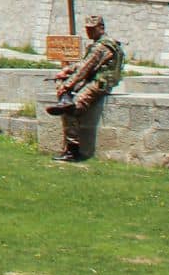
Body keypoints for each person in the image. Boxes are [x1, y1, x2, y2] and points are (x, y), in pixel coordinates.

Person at [46, 13, 124, 163]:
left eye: (92, 29)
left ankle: (72, 150)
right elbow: (83, 64)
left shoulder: (102, 46)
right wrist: (67, 70)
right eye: (87, 29)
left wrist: (67, 85)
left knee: (70, 109)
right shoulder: (100, 44)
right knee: (63, 87)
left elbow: (85, 68)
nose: (89, 32)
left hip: (99, 84)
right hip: (95, 81)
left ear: (101, 28)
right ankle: (64, 100)